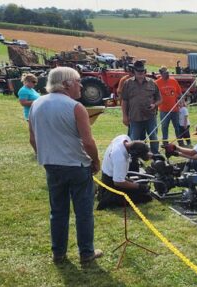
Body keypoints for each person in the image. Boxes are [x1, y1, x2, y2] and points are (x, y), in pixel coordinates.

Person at [28, 66, 102, 264]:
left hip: (51, 165)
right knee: (83, 212)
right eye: (78, 81)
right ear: (67, 84)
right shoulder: (76, 107)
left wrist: (43, 157)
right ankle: (86, 252)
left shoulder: (36, 104)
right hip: (76, 165)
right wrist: (95, 161)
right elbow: (88, 142)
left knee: (57, 211)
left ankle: (58, 252)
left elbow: (33, 139)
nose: (80, 85)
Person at [97, 136, 153, 210]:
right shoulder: (120, 158)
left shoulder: (123, 138)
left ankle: (105, 192)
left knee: (138, 188)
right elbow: (118, 182)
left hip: (109, 174)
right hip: (112, 182)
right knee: (146, 197)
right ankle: (109, 196)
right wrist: (139, 186)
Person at [121, 60, 161, 154]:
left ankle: (155, 155)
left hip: (150, 116)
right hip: (135, 117)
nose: (140, 73)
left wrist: (154, 105)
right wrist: (124, 116)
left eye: (142, 71)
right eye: (138, 71)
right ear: (134, 71)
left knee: (153, 137)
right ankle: (132, 157)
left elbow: (160, 99)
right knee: (134, 139)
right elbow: (124, 101)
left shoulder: (152, 83)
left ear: (145, 71)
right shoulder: (127, 83)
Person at [155, 66, 183, 146]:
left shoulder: (173, 81)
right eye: (165, 73)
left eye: (168, 73)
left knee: (177, 126)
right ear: (161, 74)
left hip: (175, 109)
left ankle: (180, 141)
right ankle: (165, 142)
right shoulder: (157, 83)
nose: (167, 74)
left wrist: (181, 102)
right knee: (164, 127)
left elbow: (179, 93)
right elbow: (155, 96)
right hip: (163, 110)